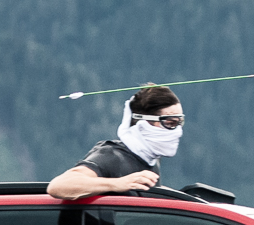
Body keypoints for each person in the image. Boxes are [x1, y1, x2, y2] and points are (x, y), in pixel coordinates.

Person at [47, 84, 184, 200]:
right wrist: (118, 183)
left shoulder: (150, 162)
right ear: (143, 122)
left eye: (180, 123)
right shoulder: (112, 155)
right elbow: (58, 186)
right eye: (170, 123)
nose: (178, 131)